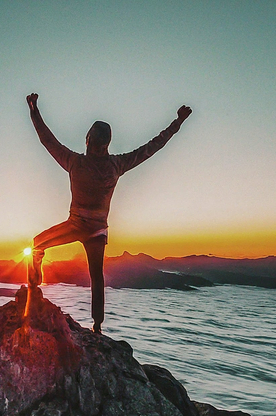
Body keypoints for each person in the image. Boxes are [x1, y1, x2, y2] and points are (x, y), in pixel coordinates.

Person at [26, 93, 192, 334]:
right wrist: (178, 122)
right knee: (97, 278)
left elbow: (47, 140)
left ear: (87, 140)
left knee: (37, 243)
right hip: (98, 230)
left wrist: (34, 111)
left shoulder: (74, 162)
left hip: (75, 225)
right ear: (107, 144)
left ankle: (33, 286)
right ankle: (97, 326)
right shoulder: (117, 164)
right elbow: (152, 147)